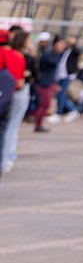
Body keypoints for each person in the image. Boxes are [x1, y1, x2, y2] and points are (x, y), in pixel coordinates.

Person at [1, 27, 29, 171]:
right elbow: (19, 81)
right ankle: (6, 159)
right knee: (10, 127)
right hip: (11, 95)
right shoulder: (16, 56)